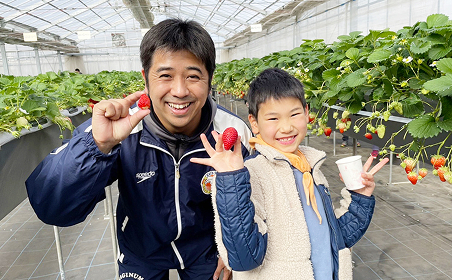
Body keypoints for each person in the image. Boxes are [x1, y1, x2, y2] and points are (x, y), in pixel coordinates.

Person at [26, 19, 253, 280]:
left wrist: (233, 248)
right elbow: (52, 207)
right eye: (165, 75)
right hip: (139, 249)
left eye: (193, 76)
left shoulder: (232, 133)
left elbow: (257, 202)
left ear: (209, 79)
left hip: (209, 250)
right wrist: (98, 146)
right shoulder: (118, 130)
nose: (179, 91)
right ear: (145, 79)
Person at [191, 68, 389, 279]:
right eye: (273, 119)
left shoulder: (310, 167)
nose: (286, 127)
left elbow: (336, 238)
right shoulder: (249, 175)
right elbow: (243, 258)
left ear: (306, 113)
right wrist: (231, 182)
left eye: (294, 114)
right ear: (254, 123)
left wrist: (360, 196)